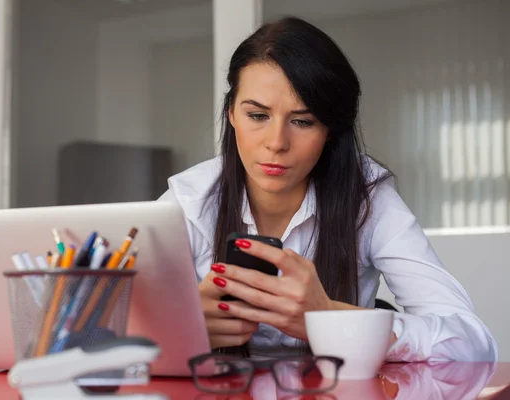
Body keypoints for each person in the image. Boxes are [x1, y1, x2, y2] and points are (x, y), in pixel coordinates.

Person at [158, 16, 497, 362]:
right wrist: (178, 329)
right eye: (257, 116)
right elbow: (110, 336)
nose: (276, 143)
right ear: (231, 113)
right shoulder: (188, 202)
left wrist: (328, 318)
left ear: (330, 130)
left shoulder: (367, 199)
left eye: (303, 121)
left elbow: (470, 343)